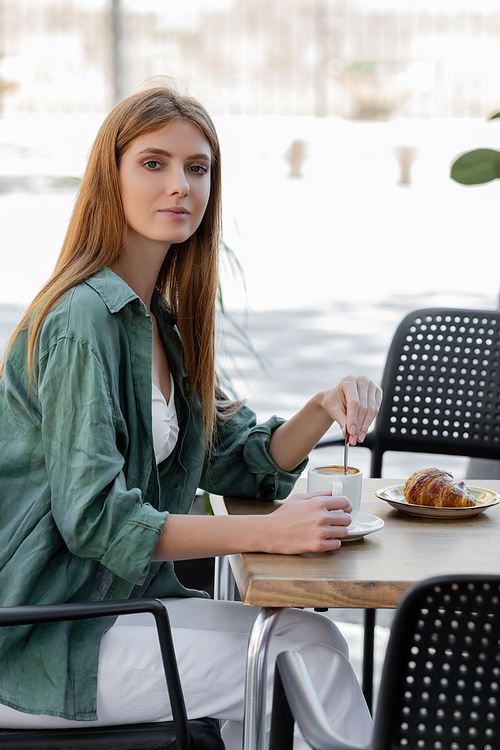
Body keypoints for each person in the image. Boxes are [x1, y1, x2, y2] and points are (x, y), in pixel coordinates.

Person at [0, 85, 382, 749]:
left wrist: (322, 408)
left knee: (299, 638)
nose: (180, 185)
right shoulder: (79, 320)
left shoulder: (160, 325)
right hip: (42, 640)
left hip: (111, 611)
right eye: (154, 163)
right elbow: (95, 521)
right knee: (293, 649)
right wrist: (264, 537)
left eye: (197, 168)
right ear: (109, 177)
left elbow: (241, 460)